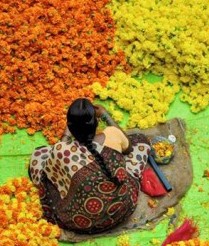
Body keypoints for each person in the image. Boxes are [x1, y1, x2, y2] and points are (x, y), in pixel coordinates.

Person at [28, 98, 150, 233]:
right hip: (121, 210)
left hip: (80, 222)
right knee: (140, 142)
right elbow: (129, 149)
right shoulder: (112, 134)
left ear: (70, 126)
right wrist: (105, 114)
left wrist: (68, 132)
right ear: (96, 123)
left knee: (39, 155)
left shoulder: (61, 150)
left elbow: (60, 148)